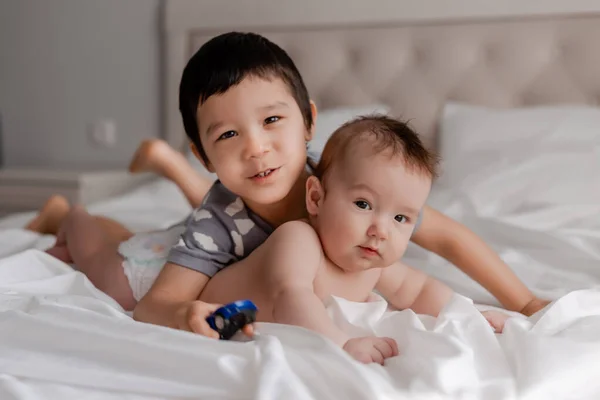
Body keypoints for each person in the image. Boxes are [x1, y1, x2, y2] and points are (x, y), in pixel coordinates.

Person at [26, 31, 547, 327]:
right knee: (108, 266)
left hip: (214, 240)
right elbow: (155, 306)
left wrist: (523, 301)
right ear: (205, 154)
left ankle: (160, 171)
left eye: (273, 120)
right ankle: (68, 216)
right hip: (178, 260)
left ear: (309, 123)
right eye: (227, 135)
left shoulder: (344, 179)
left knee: (200, 216)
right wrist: (190, 315)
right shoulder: (217, 220)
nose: (257, 147)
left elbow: (449, 236)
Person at [196, 114, 511, 364]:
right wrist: (341, 343)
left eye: (400, 218)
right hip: (205, 312)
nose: (380, 230)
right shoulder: (299, 239)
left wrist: (467, 316)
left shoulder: (371, 261)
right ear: (316, 198)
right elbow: (290, 297)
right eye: (363, 204)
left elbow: (418, 290)